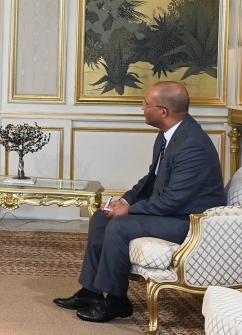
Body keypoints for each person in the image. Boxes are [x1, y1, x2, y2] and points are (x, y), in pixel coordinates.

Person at [53, 81, 226, 323]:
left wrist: (129, 211)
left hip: (190, 222)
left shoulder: (192, 144)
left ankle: (117, 301)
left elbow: (173, 199)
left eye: (146, 104)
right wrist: (124, 201)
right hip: (172, 213)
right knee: (102, 217)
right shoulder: (168, 135)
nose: (142, 108)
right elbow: (151, 179)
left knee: (119, 226)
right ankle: (91, 292)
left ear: (163, 111)